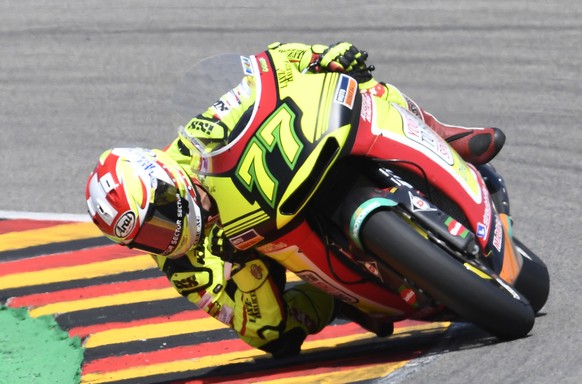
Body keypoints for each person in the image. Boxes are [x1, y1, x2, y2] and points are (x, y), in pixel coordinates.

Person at [85, 42, 505, 358]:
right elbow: (250, 322)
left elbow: (264, 72)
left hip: (287, 177)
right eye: (149, 237)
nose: (166, 233)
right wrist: (243, 274)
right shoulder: (182, 266)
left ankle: (439, 132)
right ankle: (347, 298)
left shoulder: (197, 137)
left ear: (163, 173)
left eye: (158, 214)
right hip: (270, 249)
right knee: (275, 336)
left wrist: (320, 56)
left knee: (357, 80)